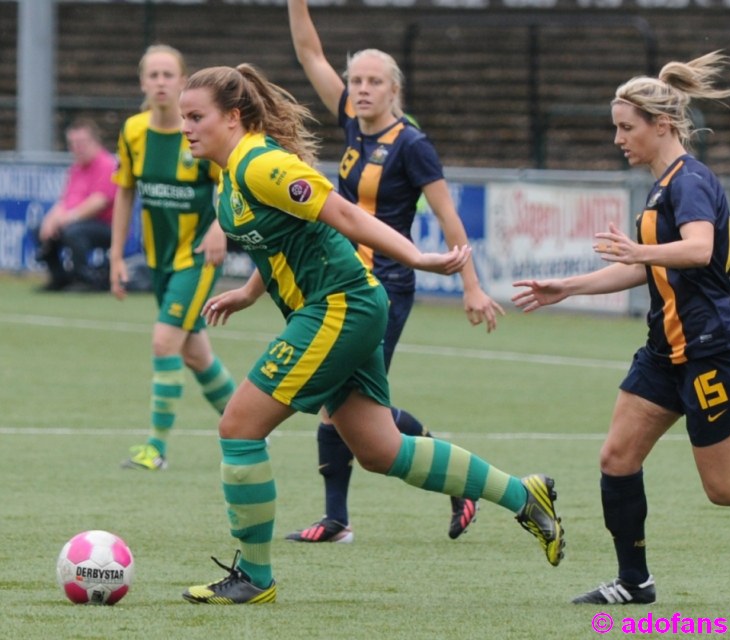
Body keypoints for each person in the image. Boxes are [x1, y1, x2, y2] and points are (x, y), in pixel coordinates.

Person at [176, 63, 564, 604]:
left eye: (196, 116)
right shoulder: (233, 171)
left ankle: (255, 577)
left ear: (233, 117)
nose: (187, 127)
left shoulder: (262, 163)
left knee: (238, 428)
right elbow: (283, 237)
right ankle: (526, 495)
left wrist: (418, 258)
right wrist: (248, 293)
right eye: (183, 117)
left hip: (341, 306)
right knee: (382, 451)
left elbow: (343, 214)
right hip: (337, 307)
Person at [512, 51, 730, 605]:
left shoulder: (690, 181)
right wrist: (567, 288)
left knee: (725, 488)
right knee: (616, 458)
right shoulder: (662, 183)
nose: (619, 138)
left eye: (626, 127)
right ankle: (633, 582)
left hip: (710, 350)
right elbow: (646, 265)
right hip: (664, 350)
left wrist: (641, 247)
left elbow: (698, 249)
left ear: (661, 125)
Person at [285, 0, 504, 544]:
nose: (360, 88)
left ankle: (343, 518)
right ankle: (437, 489)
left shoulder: (412, 145)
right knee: (349, 406)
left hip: (385, 290)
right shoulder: (351, 123)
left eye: (373, 81)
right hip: (344, 284)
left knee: (345, 403)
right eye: (355, 79)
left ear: (393, 91)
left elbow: (448, 216)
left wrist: (471, 285)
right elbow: (310, 51)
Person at [109, 44, 236, 471]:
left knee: (165, 341)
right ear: (142, 82)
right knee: (196, 355)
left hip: (196, 258)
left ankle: (155, 450)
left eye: (168, 74)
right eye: (153, 74)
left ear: (183, 82)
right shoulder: (132, 132)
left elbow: (234, 181)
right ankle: (248, 426)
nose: (161, 82)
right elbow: (125, 190)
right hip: (159, 261)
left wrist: (221, 227)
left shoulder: (200, 132)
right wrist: (116, 255)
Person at [34, 118, 117, 292]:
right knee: (40, 229)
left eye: (81, 143)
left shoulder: (107, 164)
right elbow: (65, 201)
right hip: (78, 222)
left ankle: (86, 280)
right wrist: (50, 221)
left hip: (106, 227)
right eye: (72, 143)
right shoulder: (76, 169)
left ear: (95, 142)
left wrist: (67, 219)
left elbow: (99, 201)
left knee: (73, 232)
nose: (76, 148)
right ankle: (59, 278)